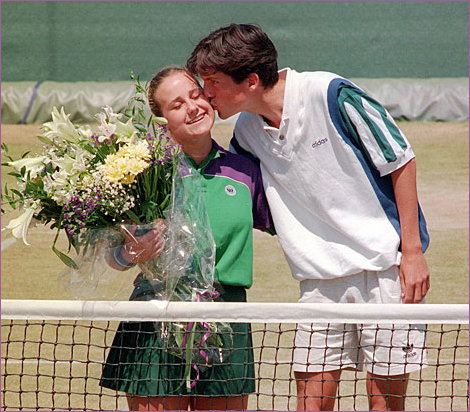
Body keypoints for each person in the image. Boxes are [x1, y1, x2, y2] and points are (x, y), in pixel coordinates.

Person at [186, 23, 430, 411]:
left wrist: (413, 252)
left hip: (384, 269)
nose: (206, 92)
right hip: (317, 282)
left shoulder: (331, 93)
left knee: (385, 404)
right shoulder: (246, 132)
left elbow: (401, 160)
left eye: (212, 81)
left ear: (250, 80)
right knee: (310, 404)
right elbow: (248, 201)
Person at [99, 67, 274, 411]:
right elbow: (112, 256)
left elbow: (288, 224)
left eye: (195, 95)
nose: (193, 107)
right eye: (177, 104)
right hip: (156, 317)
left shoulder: (246, 172)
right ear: (162, 121)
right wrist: (131, 253)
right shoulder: (143, 175)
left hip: (228, 317)